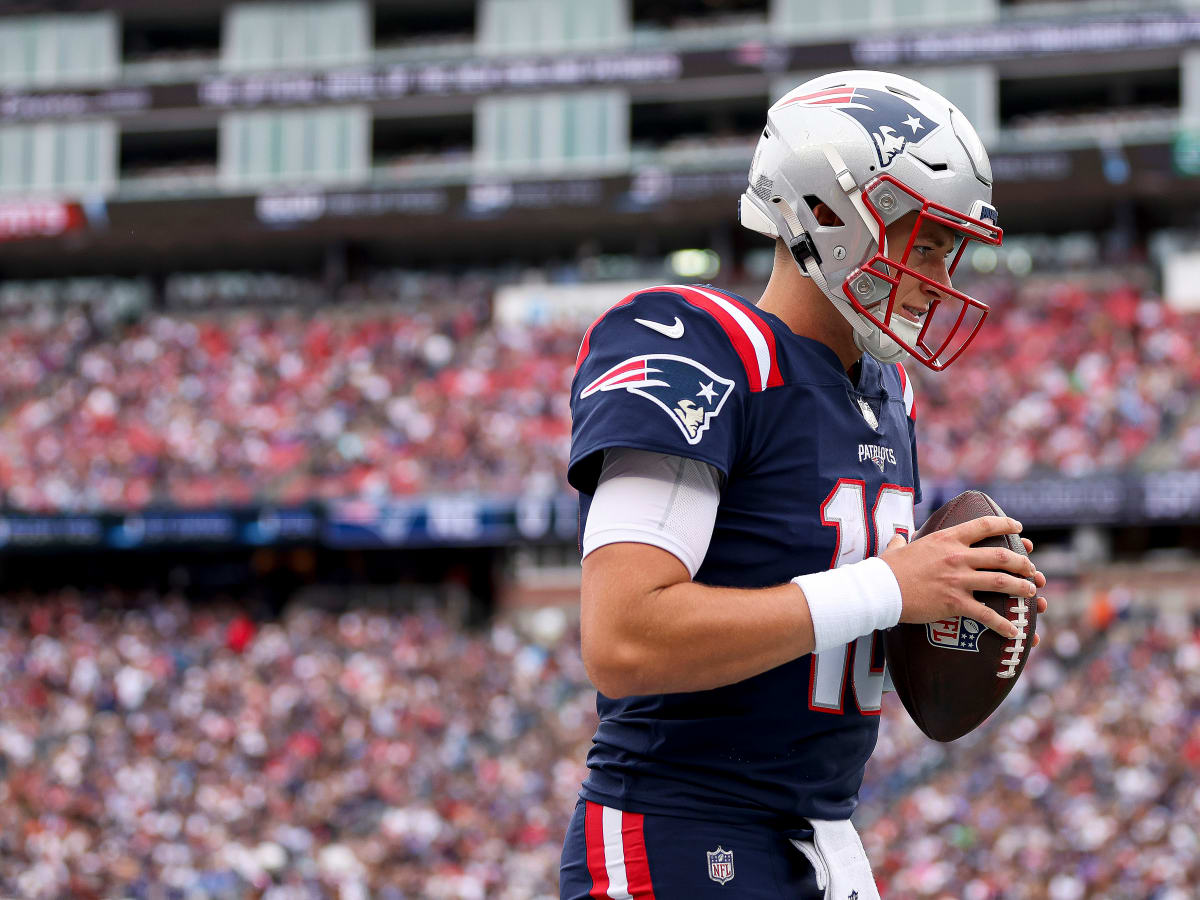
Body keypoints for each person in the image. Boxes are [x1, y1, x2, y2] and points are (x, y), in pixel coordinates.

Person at [558, 70, 1050, 899]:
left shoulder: (889, 395)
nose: (939, 273)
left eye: (948, 248)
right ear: (823, 213)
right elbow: (623, 638)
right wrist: (885, 589)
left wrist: (955, 606)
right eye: (922, 239)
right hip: (679, 832)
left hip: (813, 838)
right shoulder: (706, 349)